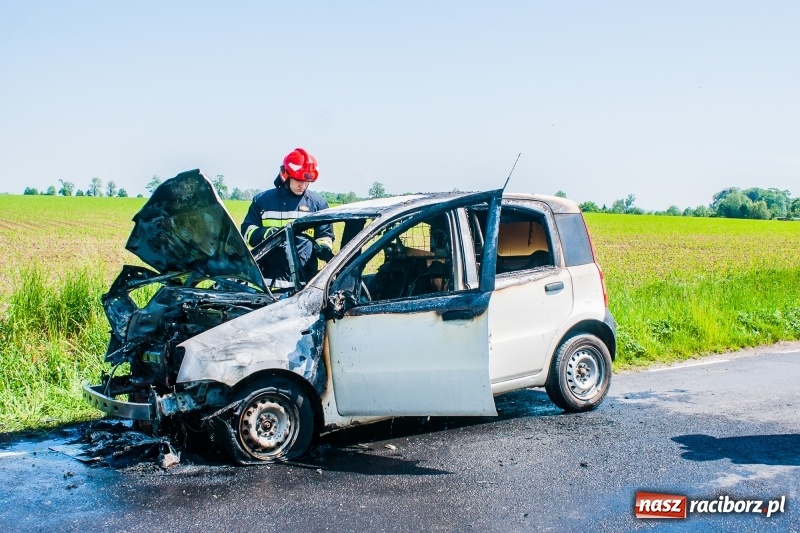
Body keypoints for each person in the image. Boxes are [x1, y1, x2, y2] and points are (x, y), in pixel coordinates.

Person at [241, 148, 334, 287]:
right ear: (286, 175)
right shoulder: (262, 201)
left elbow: (325, 234)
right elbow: (247, 230)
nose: (302, 185)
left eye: (306, 181)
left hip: (303, 283)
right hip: (266, 282)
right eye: (298, 179)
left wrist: (324, 247)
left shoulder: (318, 204)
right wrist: (265, 234)